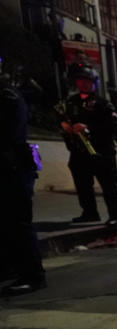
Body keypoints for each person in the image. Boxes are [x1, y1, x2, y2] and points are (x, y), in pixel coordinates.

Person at [57, 63, 117, 226]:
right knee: (82, 184)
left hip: (101, 151)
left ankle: (115, 216)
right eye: (80, 80)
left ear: (94, 83)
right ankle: (89, 212)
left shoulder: (103, 104)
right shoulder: (71, 102)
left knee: (108, 185)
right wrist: (64, 125)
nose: (83, 83)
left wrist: (89, 128)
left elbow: (114, 126)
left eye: (87, 80)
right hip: (79, 151)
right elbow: (61, 117)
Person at [1, 57, 45, 295]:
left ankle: (33, 275)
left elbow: (10, 133)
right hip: (10, 165)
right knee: (7, 223)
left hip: (12, 167)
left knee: (18, 222)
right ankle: (12, 268)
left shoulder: (7, 95)